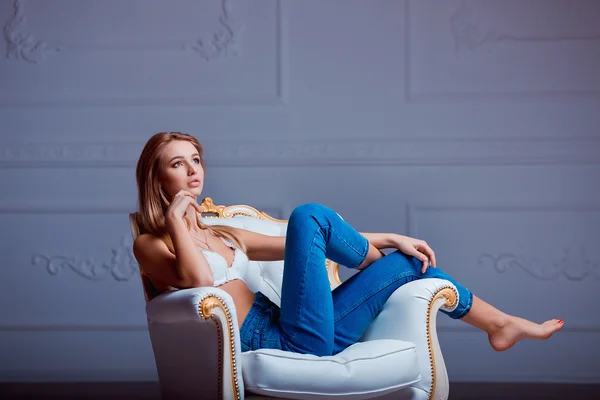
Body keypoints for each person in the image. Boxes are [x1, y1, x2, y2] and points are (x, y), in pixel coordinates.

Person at [133, 131, 564, 356]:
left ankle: (500, 325)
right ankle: (369, 264)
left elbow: (300, 242)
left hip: (301, 328)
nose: (193, 170)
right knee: (309, 213)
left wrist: (393, 236)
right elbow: (201, 280)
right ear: (158, 177)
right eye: (178, 163)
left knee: (405, 262)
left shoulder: (222, 232)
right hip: (273, 342)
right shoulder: (152, 244)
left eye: (196, 159)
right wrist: (175, 220)